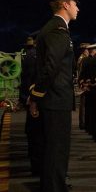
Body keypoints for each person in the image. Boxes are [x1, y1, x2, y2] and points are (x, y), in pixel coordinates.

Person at [28, 0, 80, 191]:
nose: (78, 8)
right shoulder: (57, 29)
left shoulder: (56, 28)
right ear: (66, 4)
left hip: (54, 98)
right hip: (56, 99)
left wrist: (36, 95)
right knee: (57, 150)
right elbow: (50, 67)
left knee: (55, 149)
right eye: (75, 4)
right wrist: (36, 96)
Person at [20, 36, 44, 177]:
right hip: (34, 99)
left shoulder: (30, 55)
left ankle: (36, 165)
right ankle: (37, 167)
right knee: (37, 135)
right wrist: (32, 99)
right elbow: (31, 79)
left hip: (30, 98)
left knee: (34, 134)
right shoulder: (34, 56)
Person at [77, 43, 89, 130]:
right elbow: (81, 73)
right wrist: (83, 83)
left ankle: (83, 122)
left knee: (84, 104)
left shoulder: (81, 58)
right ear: (85, 50)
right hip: (84, 84)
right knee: (84, 105)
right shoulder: (83, 59)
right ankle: (83, 123)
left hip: (83, 83)